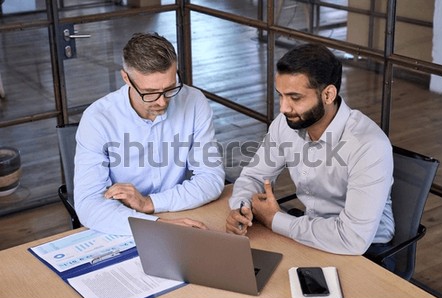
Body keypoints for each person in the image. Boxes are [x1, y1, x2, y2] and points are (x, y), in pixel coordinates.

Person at [226, 43, 395, 260]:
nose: (283, 108)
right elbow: (254, 176)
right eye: (281, 95)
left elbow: (353, 238)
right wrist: (242, 207)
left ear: (328, 95)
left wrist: (275, 219)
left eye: (295, 98)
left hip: (368, 252)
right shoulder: (284, 124)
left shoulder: (369, 146)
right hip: (309, 232)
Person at [74, 32, 225, 235]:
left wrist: (148, 203)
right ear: (126, 78)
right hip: (124, 226)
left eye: (170, 88)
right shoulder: (97, 119)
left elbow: (211, 179)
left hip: (180, 216)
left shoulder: (194, 101)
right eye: (150, 93)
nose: (162, 101)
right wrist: (157, 224)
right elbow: (88, 205)